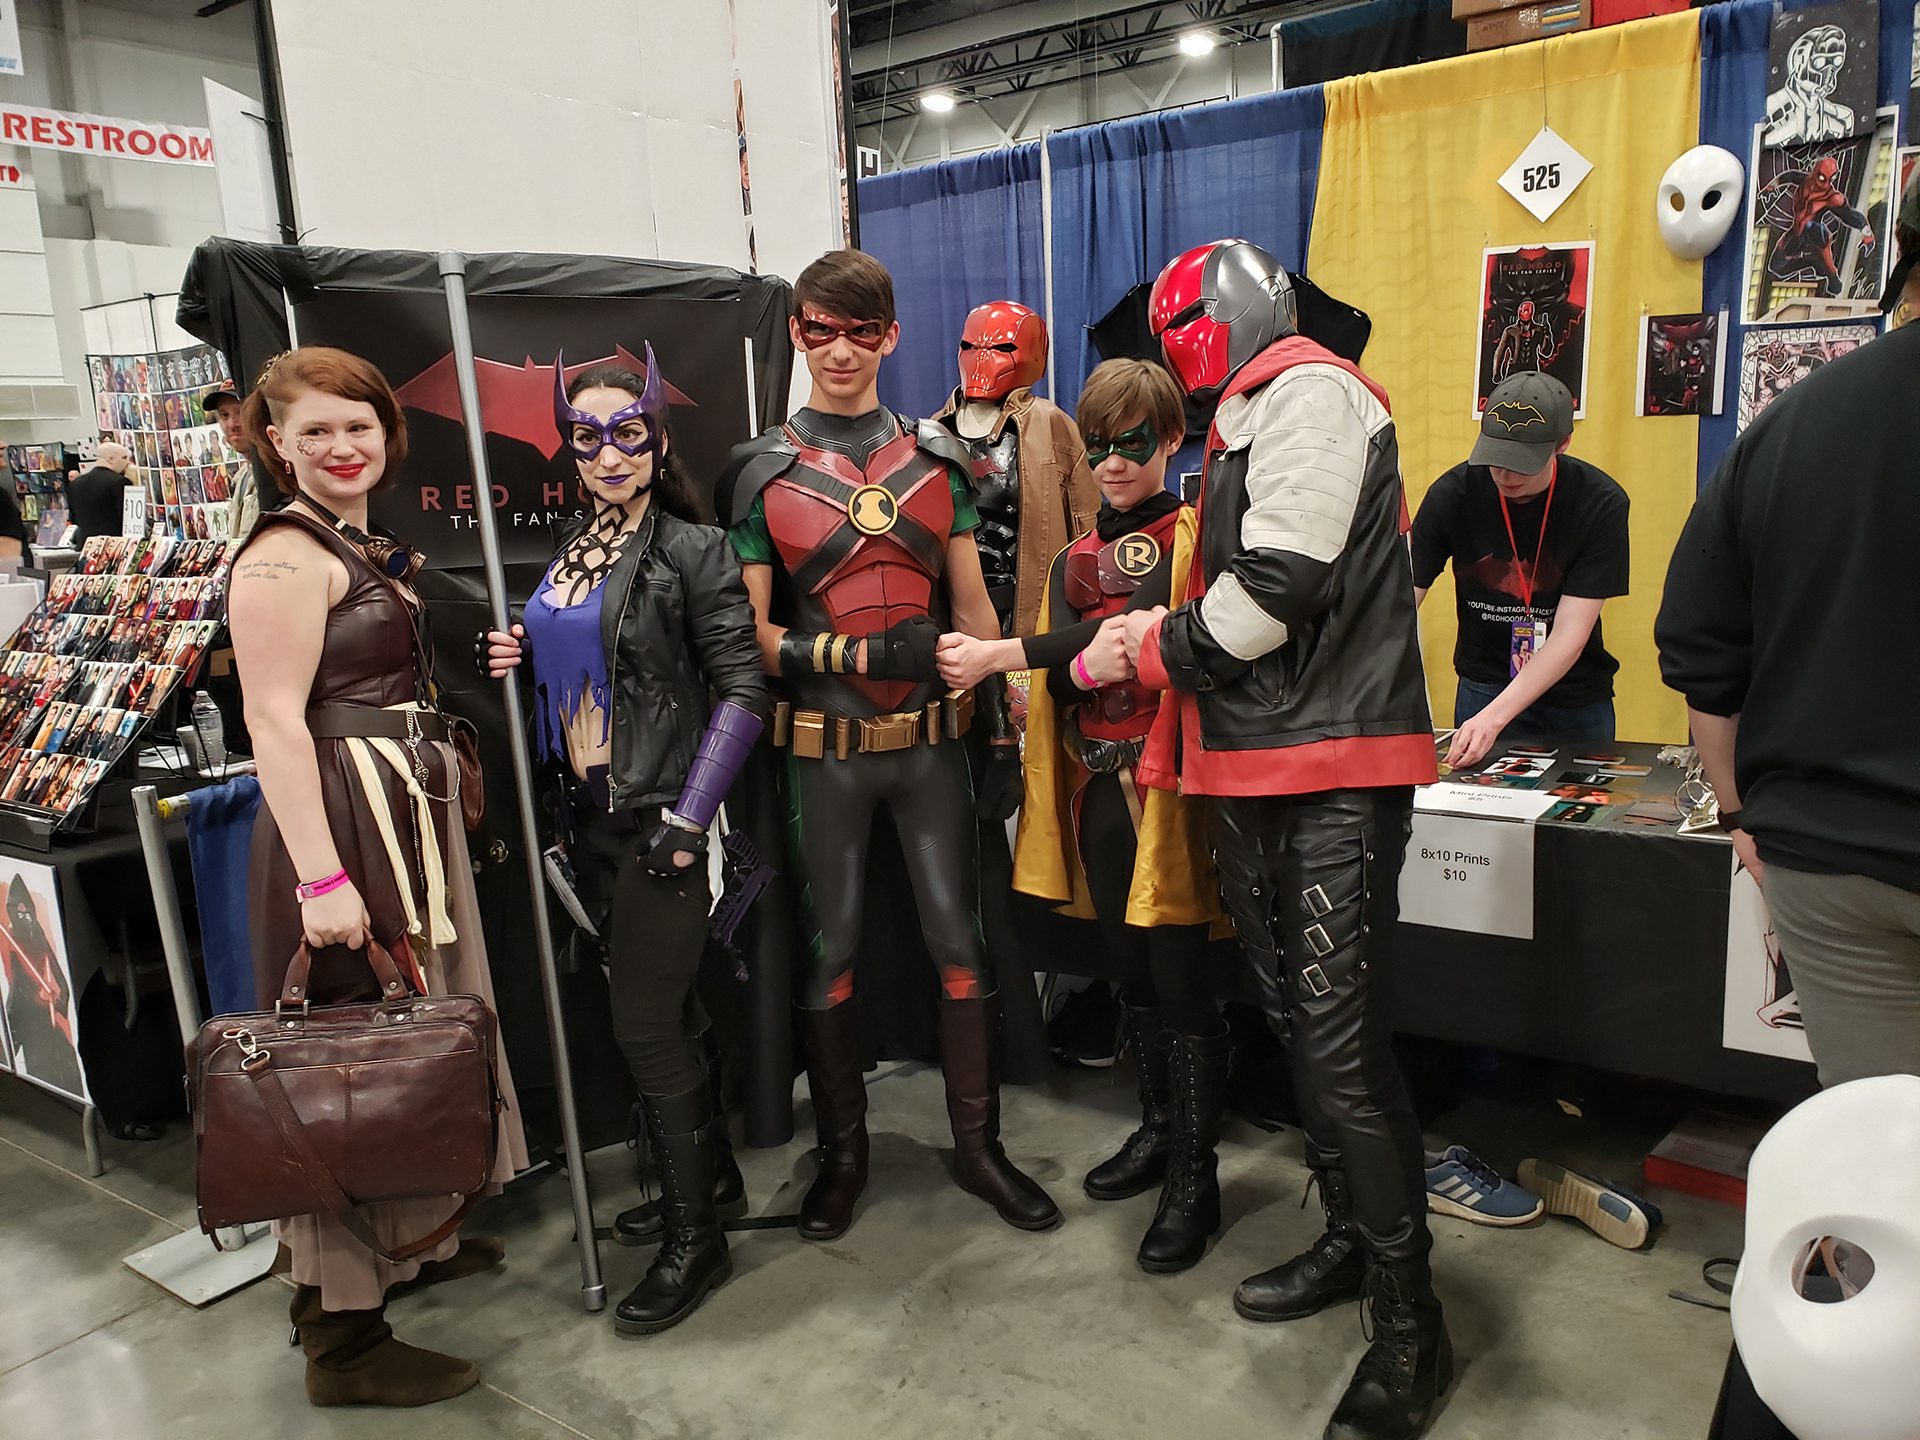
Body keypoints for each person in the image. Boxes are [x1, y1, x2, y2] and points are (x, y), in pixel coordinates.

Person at [1121, 239, 1446, 1440]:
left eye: (1182, 327)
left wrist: (1154, 648)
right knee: (1308, 1036)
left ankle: (1413, 1327)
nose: (1177, 346)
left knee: (1341, 1053)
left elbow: (1280, 582)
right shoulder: (1255, 408)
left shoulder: (1310, 390)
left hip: (1331, 767)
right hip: (1264, 761)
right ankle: (1355, 1238)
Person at [716, 248, 1060, 1241]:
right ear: (796, 334)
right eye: (820, 329)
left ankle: (980, 1148)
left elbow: (975, 612)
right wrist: (853, 650)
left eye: (860, 330)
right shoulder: (758, 469)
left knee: (962, 944)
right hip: (822, 751)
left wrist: (1005, 719)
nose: (840, 349)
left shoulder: (940, 462)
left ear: (892, 336)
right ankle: (844, 1157)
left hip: (930, 748)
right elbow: (750, 638)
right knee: (831, 952)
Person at [1663, 174, 1920, 1440]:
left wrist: (1740, 812)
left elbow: (1701, 654)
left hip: (1828, 865)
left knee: (1871, 1186)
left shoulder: (1795, 421)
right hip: (1829, 854)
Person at [227, 347, 529, 1408]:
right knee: (350, 1057)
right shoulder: (281, 555)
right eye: (314, 431)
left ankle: (409, 1244)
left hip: (399, 814)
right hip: (344, 824)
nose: (341, 446)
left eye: (357, 425)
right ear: (278, 444)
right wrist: (321, 881)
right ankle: (341, 1339)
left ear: (387, 433)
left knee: (413, 1031)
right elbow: (272, 721)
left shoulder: (346, 540)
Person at [483, 349, 768, 1336]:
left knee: (644, 1026)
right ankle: (712, 1183)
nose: (608, 454)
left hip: (661, 818)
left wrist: (690, 820)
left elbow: (743, 690)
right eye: (587, 436)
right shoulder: (575, 544)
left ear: (655, 439)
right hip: (587, 821)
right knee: (668, 1012)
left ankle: (699, 1239)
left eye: (627, 433)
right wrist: (518, 648)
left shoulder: (693, 549)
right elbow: (580, 659)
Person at [940, 357, 1227, 1272]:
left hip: (1173, 793)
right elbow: (1069, 676)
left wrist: (1014, 655)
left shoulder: (1199, 536)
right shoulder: (1070, 560)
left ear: (1172, 438)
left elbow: (1132, 637)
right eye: (1098, 445)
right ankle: (1158, 1130)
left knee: (1180, 976)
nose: (1113, 463)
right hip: (1099, 785)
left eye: (1133, 442)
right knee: (1128, 968)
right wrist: (1066, 666)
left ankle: (1197, 1175)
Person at [931, 299, 1100, 1078]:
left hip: (1033, 633)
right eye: (973, 344)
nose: (984, 359)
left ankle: (1075, 991)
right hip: (955, 645)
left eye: (1000, 346)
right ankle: (986, 996)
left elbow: (1091, 536)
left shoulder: (1051, 428)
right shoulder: (926, 435)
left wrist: (1075, 644)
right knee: (968, 814)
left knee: (1050, 804)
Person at [1410, 371, 1630, 769]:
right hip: (1484, 686)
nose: (1505, 475)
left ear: (1562, 444)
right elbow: (1400, 600)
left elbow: (1570, 634)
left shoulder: (1599, 502)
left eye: (1520, 463)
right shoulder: (1452, 494)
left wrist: (1493, 719)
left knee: (1578, 807)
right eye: (1496, 458)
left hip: (1576, 698)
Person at [205, 382, 262, 539]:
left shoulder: (277, 477)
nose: (232, 424)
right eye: (224, 415)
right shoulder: (242, 476)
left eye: (241, 412)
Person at [67, 441, 136, 546]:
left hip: (85, 545)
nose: (128, 462)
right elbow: (129, 519)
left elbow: (73, 518)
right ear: (111, 459)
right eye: (124, 458)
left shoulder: (76, 484)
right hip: (113, 545)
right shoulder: (119, 482)